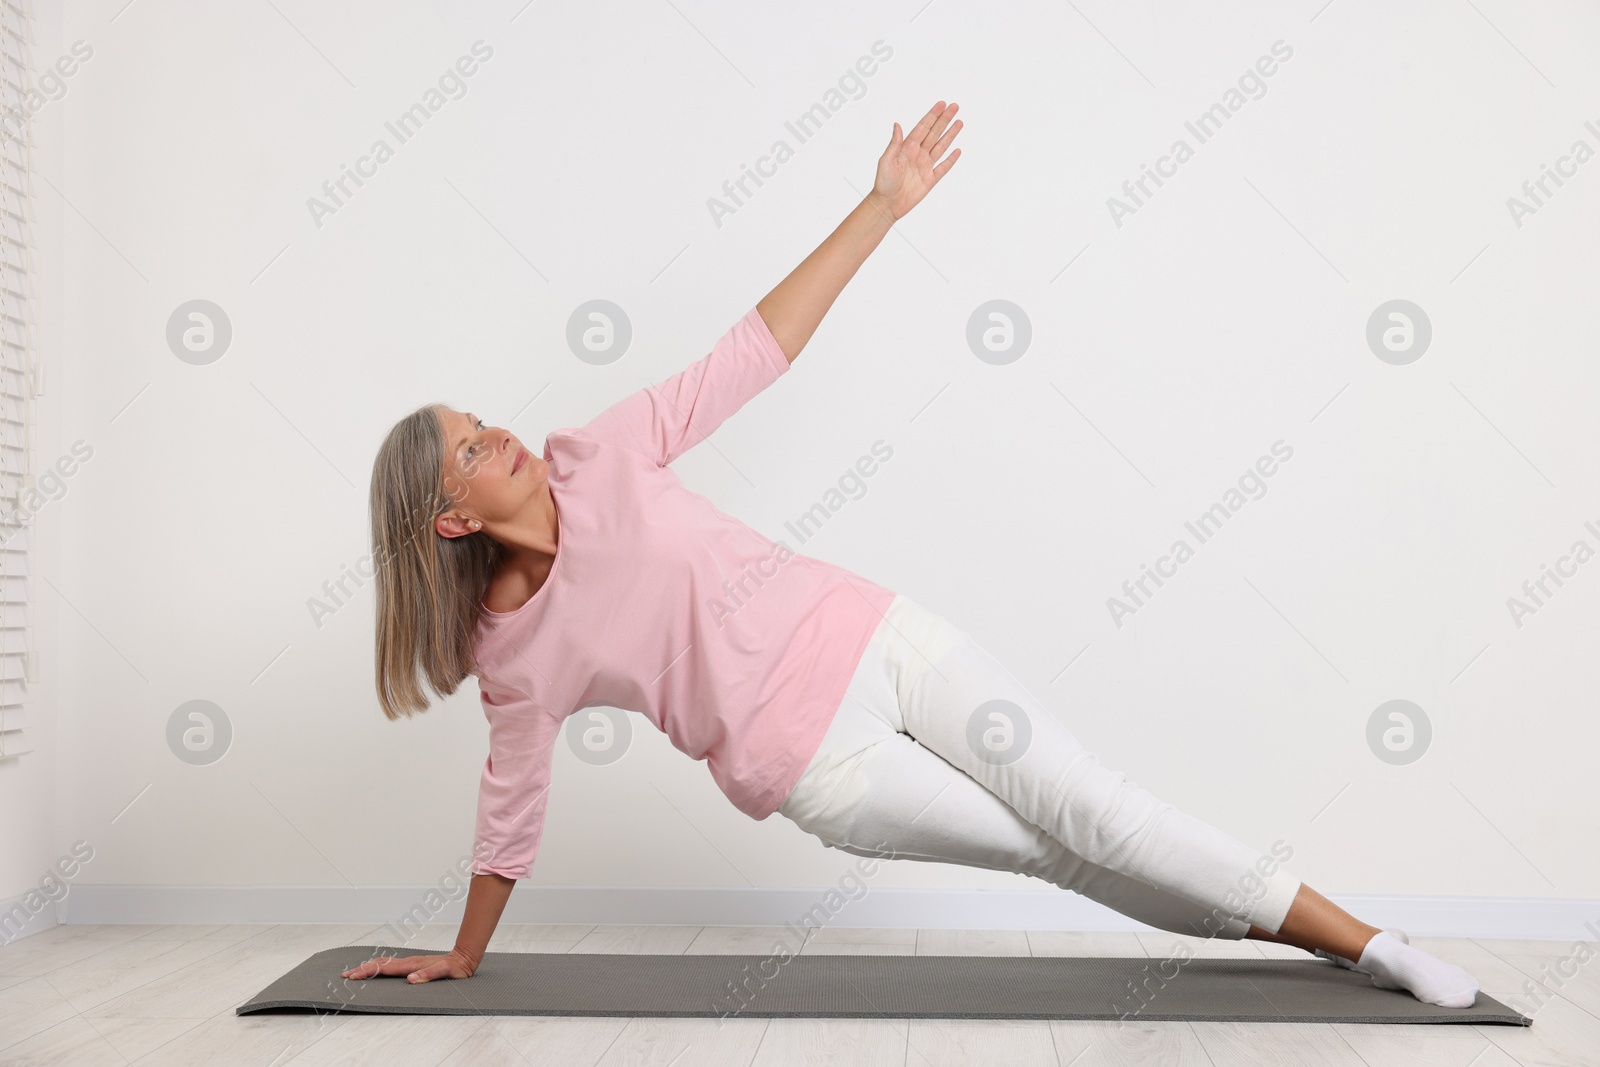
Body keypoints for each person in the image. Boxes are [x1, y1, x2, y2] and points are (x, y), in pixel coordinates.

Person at [348, 102, 1478, 1009]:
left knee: (1105, 813)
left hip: (881, 637)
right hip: (815, 768)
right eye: (469, 448)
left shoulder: (598, 451)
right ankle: (1317, 938)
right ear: (452, 518)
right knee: (1064, 855)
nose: (495, 433)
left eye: (479, 419)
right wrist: (461, 955)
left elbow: (751, 352)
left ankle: (1372, 943)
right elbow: (512, 809)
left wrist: (879, 205)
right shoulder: (513, 652)